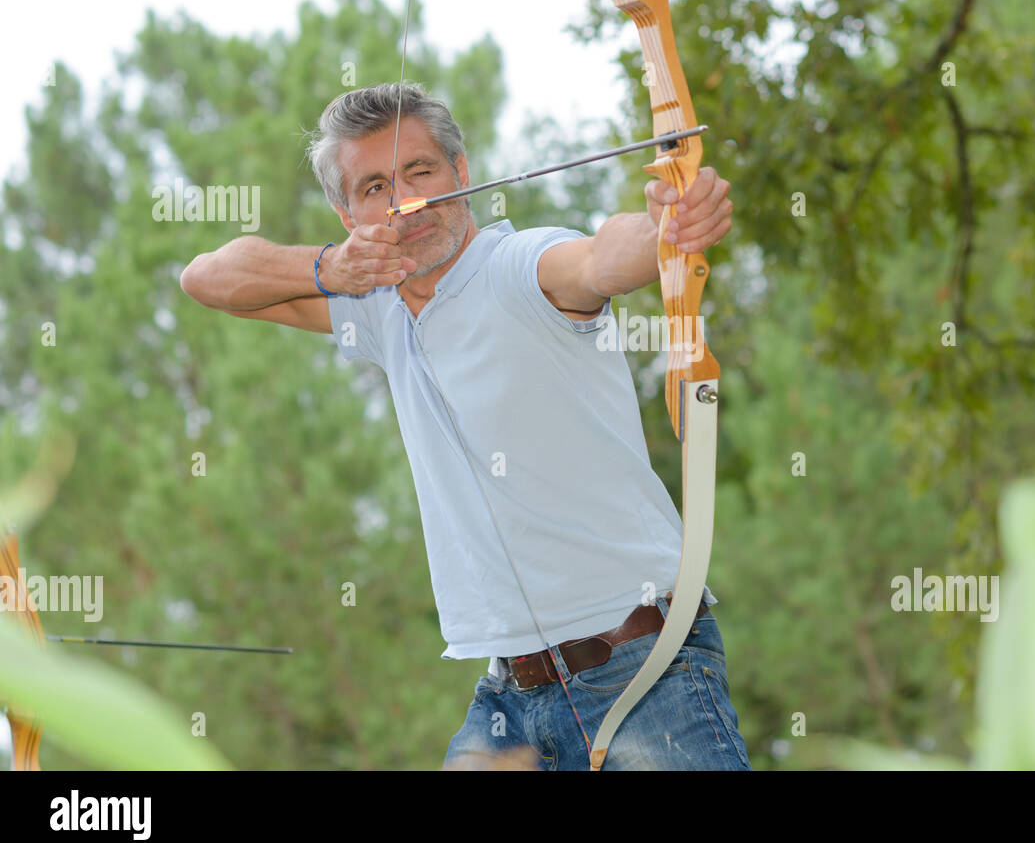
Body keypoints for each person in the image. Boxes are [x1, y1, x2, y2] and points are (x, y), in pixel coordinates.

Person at [179, 83, 749, 770]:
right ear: (348, 213)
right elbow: (205, 278)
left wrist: (666, 231)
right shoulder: (376, 308)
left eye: (420, 171)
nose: (405, 201)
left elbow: (602, 258)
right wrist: (330, 266)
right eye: (375, 187)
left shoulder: (519, 266)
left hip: (643, 669)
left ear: (462, 171)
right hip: (511, 697)